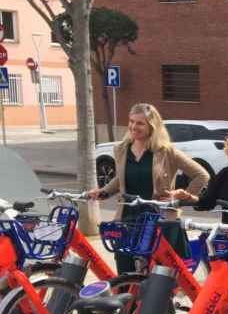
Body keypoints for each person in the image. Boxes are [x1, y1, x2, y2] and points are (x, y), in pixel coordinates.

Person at [88, 102, 209, 273]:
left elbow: (201, 175)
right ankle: (128, 299)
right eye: (131, 121)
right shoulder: (121, 149)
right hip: (128, 217)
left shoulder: (166, 151)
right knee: (125, 268)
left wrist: (184, 196)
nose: (133, 127)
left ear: (152, 126)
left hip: (158, 218)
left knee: (157, 274)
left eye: (140, 123)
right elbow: (121, 178)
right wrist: (104, 191)